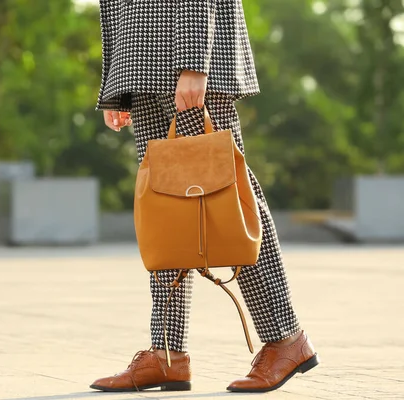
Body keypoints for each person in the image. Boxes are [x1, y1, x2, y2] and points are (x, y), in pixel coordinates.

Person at [89, 0, 319, 393]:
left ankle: (285, 337)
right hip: (141, 64)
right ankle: (167, 353)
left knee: (230, 198)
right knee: (165, 209)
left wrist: (195, 63)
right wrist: (117, 82)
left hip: (185, 58)